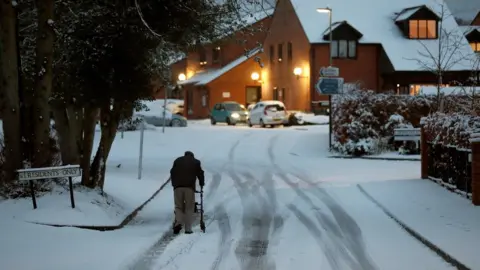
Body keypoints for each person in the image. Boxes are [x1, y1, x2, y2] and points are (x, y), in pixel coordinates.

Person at [170, 151, 205, 234]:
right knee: (189, 207)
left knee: (178, 206)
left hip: (177, 187)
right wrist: (201, 184)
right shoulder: (196, 162)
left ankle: (178, 222)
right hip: (189, 187)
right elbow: (200, 173)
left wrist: (174, 184)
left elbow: (172, 172)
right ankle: (188, 229)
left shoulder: (177, 160)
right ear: (192, 156)